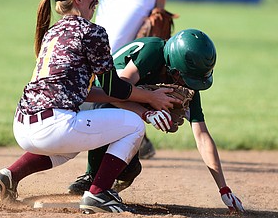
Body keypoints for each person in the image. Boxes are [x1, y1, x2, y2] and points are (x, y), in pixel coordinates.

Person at [0, 0, 181, 214]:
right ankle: (99, 193)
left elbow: (88, 92)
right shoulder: (92, 32)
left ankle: (9, 176)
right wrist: (150, 99)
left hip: (23, 126)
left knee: (69, 148)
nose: (96, 1)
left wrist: (143, 107)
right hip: (55, 125)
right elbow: (114, 87)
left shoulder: (53, 32)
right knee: (133, 126)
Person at [66, 29, 245, 214]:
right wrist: (148, 107)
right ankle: (92, 178)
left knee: (129, 171)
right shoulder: (152, 51)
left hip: (112, 105)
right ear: (174, 69)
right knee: (115, 113)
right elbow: (114, 92)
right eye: (188, 78)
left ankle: (105, 181)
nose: (190, 85)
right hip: (88, 100)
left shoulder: (187, 81)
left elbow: (202, 136)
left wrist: (223, 189)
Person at [40, 0, 172, 159]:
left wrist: (159, 7)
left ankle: (124, 129)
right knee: (94, 62)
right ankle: (120, 126)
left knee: (107, 64)